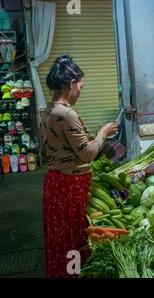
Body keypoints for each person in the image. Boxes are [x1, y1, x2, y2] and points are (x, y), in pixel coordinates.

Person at [40, 55, 117, 278]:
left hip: (57, 181)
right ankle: (72, 274)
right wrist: (102, 133)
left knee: (61, 238)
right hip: (68, 186)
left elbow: (51, 148)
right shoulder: (66, 113)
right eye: (80, 86)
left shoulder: (50, 109)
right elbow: (88, 153)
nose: (81, 92)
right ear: (71, 84)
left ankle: (64, 273)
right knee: (71, 239)